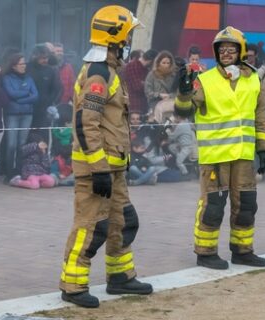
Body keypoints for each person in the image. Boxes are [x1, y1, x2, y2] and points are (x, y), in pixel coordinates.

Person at [59, 5, 153, 308]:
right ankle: (72, 286)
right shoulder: (98, 73)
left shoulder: (110, 70)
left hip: (114, 167)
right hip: (97, 168)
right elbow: (87, 122)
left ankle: (120, 277)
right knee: (91, 226)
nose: (129, 44)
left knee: (123, 221)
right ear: (116, 39)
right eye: (127, 38)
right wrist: (99, 168)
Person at [174, 26, 265, 270]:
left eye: (231, 49)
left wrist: (264, 149)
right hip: (215, 157)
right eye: (221, 49)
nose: (226, 53)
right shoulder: (204, 80)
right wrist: (183, 92)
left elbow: (260, 117)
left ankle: (242, 251)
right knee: (213, 206)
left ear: (241, 51)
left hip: (244, 156)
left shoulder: (254, 81)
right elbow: (183, 110)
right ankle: (205, 253)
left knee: (247, 204)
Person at [1, 53, 38, 178]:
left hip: (27, 114)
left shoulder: (29, 78)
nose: (24, 66)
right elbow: (11, 94)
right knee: (11, 144)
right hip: (12, 114)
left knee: (22, 144)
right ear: (14, 66)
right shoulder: (7, 78)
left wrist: (20, 100)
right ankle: (9, 171)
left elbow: (35, 95)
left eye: (24, 63)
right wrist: (26, 93)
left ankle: (20, 169)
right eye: (21, 64)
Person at [27, 44, 61, 141]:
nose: (45, 60)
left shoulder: (50, 70)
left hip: (44, 110)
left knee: (43, 137)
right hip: (28, 109)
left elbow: (57, 89)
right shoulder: (27, 68)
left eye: (46, 58)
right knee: (28, 137)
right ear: (35, 56)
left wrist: (50, 102)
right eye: (42, 58)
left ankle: (44, 156)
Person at [145, 50, 177, 123]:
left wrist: (169, 96)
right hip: (155, 106)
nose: (166, 65)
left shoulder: (174, 76)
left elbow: (177, 92)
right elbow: (147, 91)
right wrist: (159, 95)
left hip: (171, 106)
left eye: (168, 63)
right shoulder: (152, 75)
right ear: (158, 63)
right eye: (164, 63)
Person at [122, 49, 156, 115]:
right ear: (151, 61)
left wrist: (144, 83)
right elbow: (137, 86)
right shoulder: (133, 66)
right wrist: (148, 84)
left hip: (142, 107)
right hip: (133, 107)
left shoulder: (146, 70)